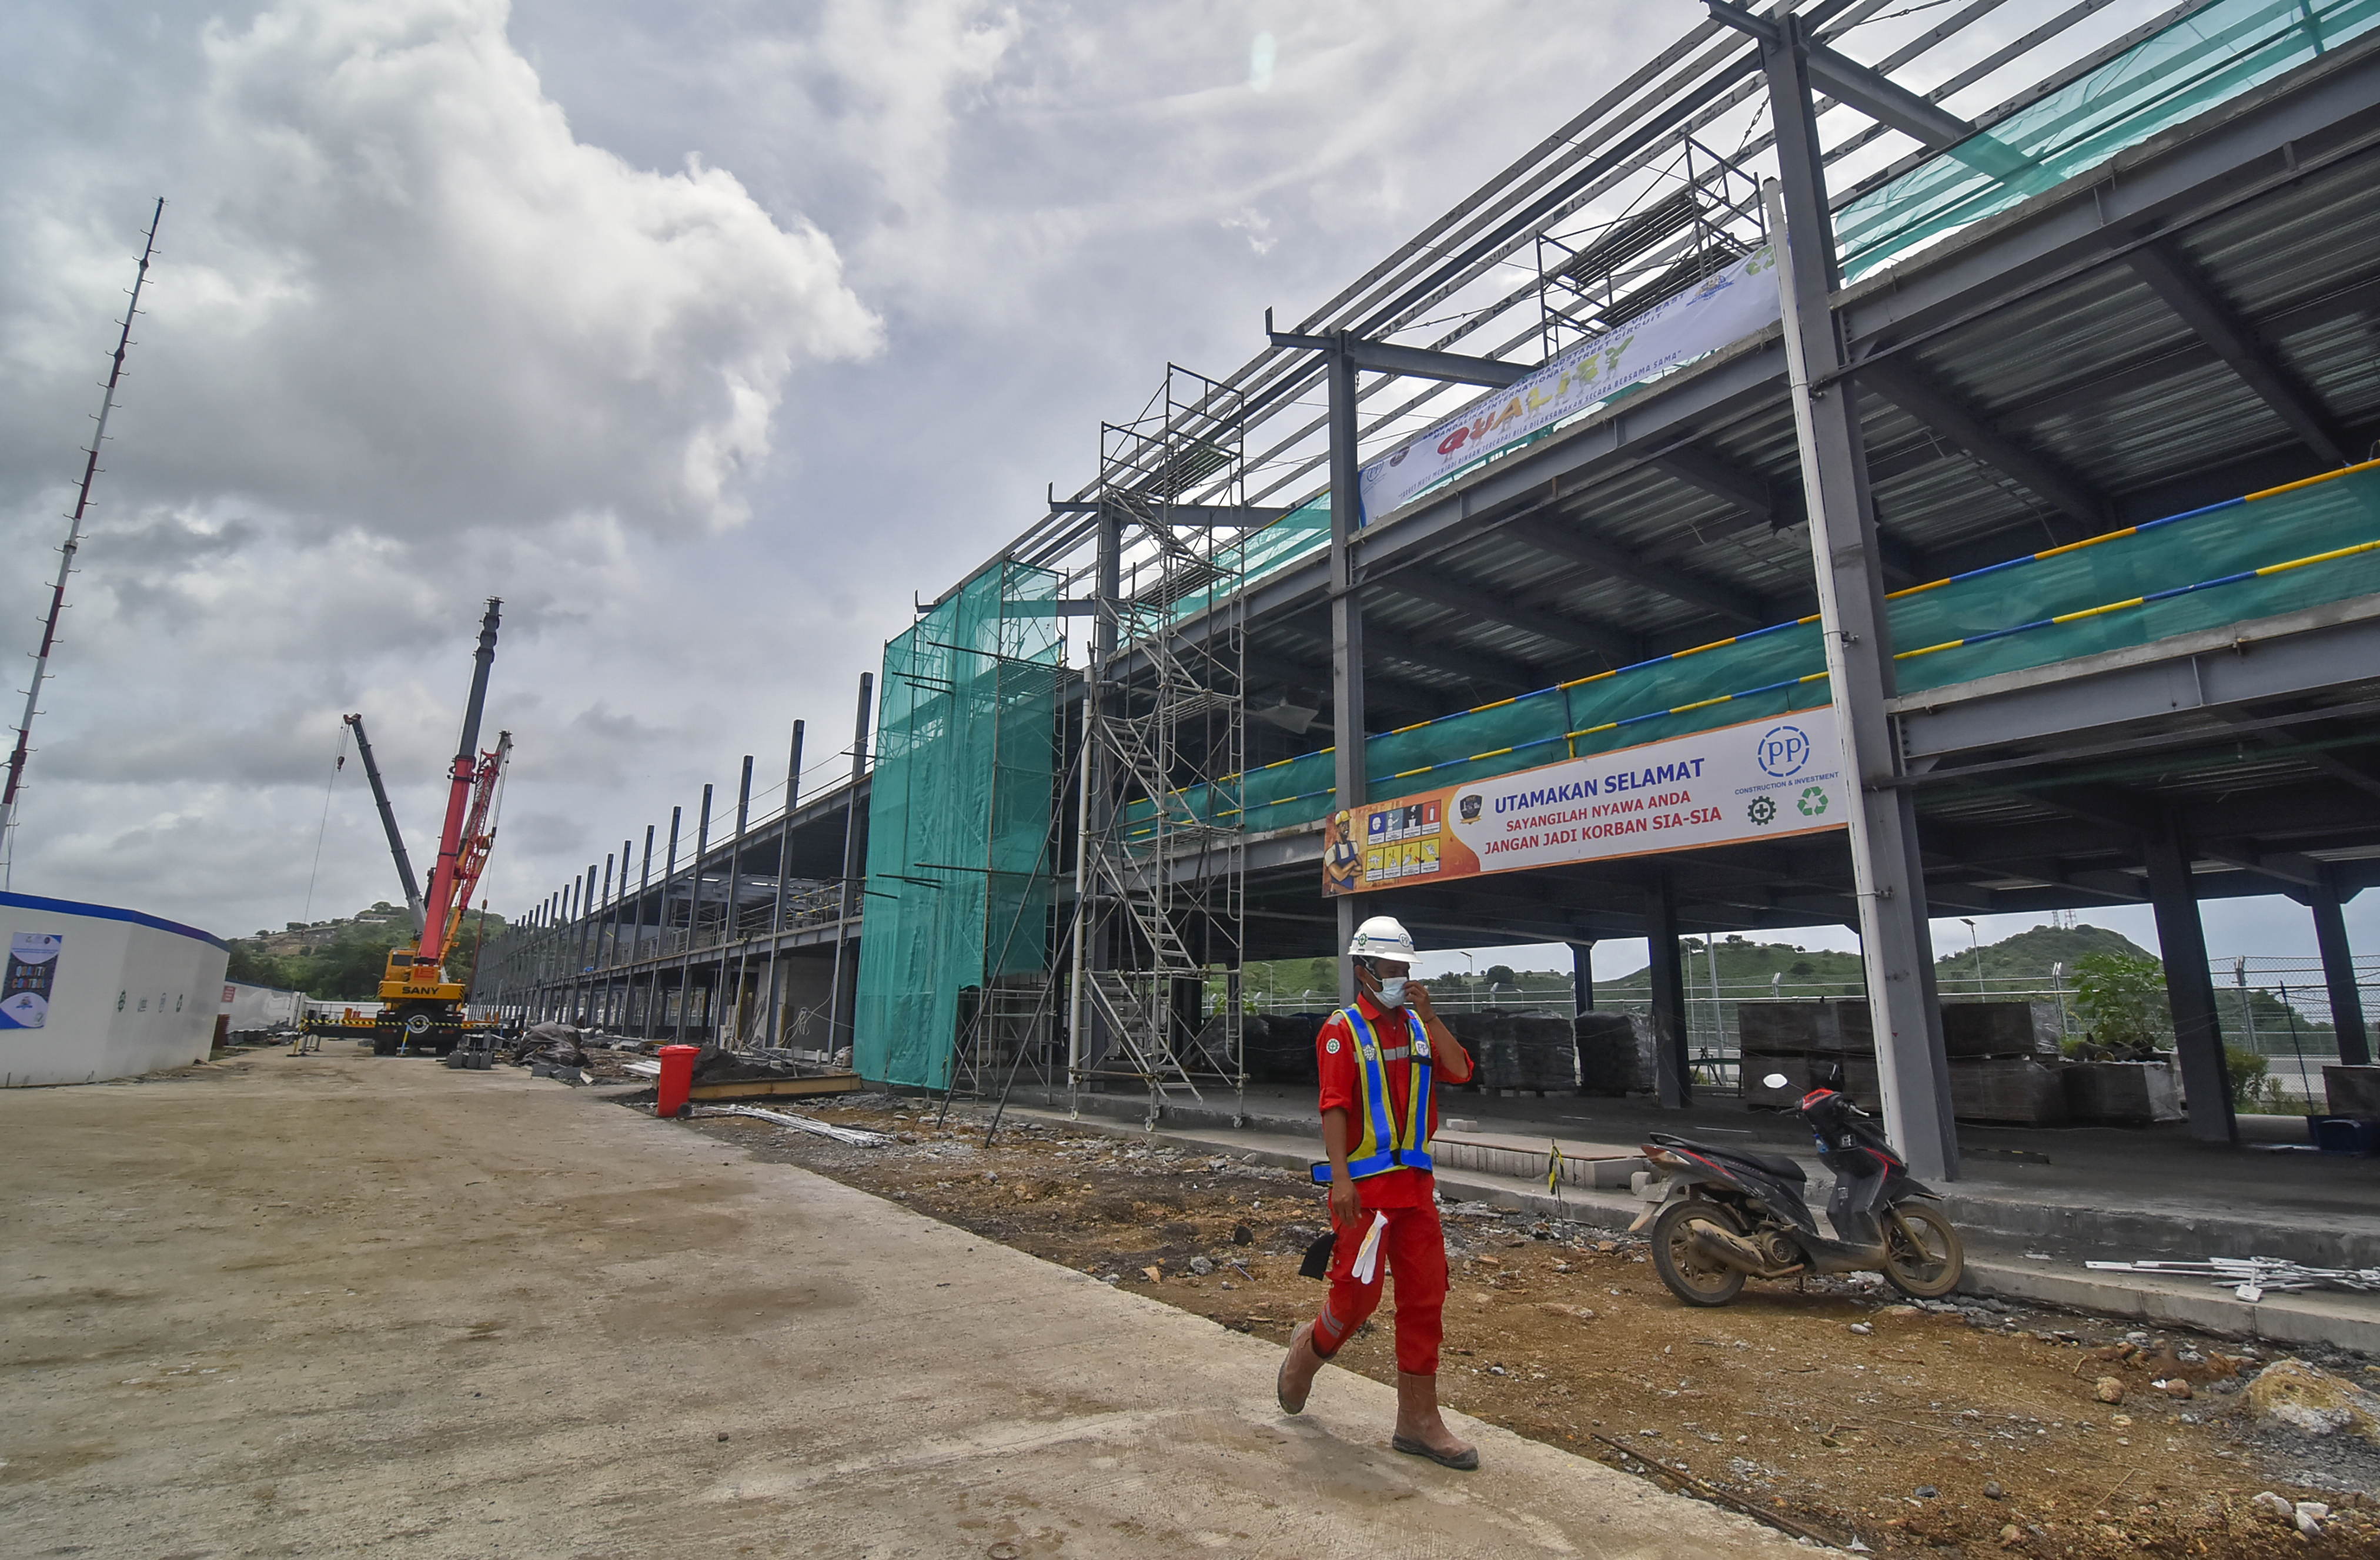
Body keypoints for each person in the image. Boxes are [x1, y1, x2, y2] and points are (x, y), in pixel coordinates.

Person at [1275, 913, 1479, 1469]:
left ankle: (1418, 1421)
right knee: (1355, 1301)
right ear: (1363, 969)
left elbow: (1459, 1071)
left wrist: (1432, 1016)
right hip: (1363, 1195)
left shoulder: (1416, 1027)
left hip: (1415, 1190)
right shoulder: (1341, 1031)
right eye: (1391, 968)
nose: (1400, 977)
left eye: (1405, 968)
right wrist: (1340, 1179)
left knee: (1426, 1299)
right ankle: (1305, 1355)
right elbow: (1334, 1106)